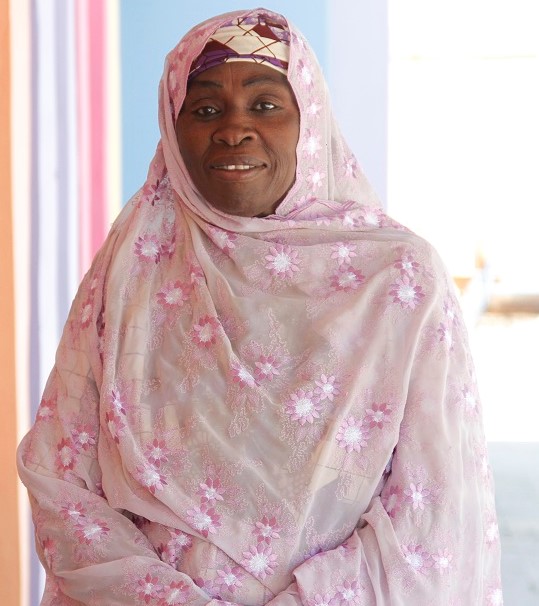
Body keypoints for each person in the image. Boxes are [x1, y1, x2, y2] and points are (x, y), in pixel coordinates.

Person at [17, 8, 503, 605]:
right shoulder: (133, 264)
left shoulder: (397, 281)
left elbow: (434, 516)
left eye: (266, 104)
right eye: (205, 109)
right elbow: (61, 472)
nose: (234, 129)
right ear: (173, 129)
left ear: (310, 120)